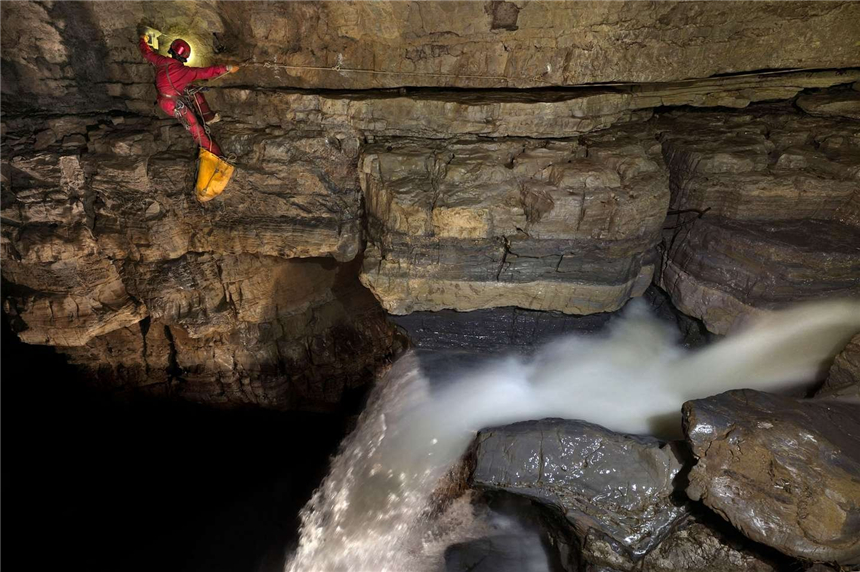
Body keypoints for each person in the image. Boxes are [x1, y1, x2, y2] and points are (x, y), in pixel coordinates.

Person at [138, 33, 239, 157]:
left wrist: (143, 39)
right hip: (174, 105)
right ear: (185, 57)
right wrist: (227, 68)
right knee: (198, 132)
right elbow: (207, 72)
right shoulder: (185, 71)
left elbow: (146, 53)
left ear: (171, 50)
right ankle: (217, 157)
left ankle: (208, 117)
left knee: (193, 90)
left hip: (163, 100)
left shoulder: (160, 61)